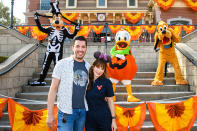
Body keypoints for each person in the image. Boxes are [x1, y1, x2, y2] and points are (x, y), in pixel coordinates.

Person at [46, 36, 90, 131]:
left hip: (82, 112)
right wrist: (49, 114)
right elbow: (53, 89)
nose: (80, 49)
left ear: (86, 48)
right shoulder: (62, 64)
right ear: (73, 47)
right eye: (77, 46)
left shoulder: (88, 67)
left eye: (83, 47)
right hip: (66, 112)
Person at [85, 51, 117, 131]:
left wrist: (113, 120)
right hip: (89, 119)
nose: (99, 71)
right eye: (98, 67)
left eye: (102, 68)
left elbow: (110, 101)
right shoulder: (86, 81)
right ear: (93, 67)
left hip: (104, 117)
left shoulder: (106, 82)